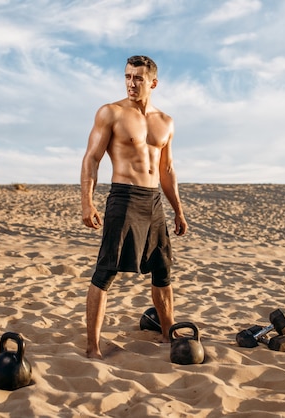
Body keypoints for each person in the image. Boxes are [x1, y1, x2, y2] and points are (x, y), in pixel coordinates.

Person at [80, 55, 188, 359]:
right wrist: (87, 202)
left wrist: (177, 209)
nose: (131, 83)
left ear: (153, 83)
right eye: (127, 76)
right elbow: (91, 158)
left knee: (162, 270)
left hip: (153, 202)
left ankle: (169, 334)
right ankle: (93, 345)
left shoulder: (165, 121)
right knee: (106, 271)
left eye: (138, 78)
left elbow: (167, 170)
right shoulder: (110, 113)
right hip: (124, 197)